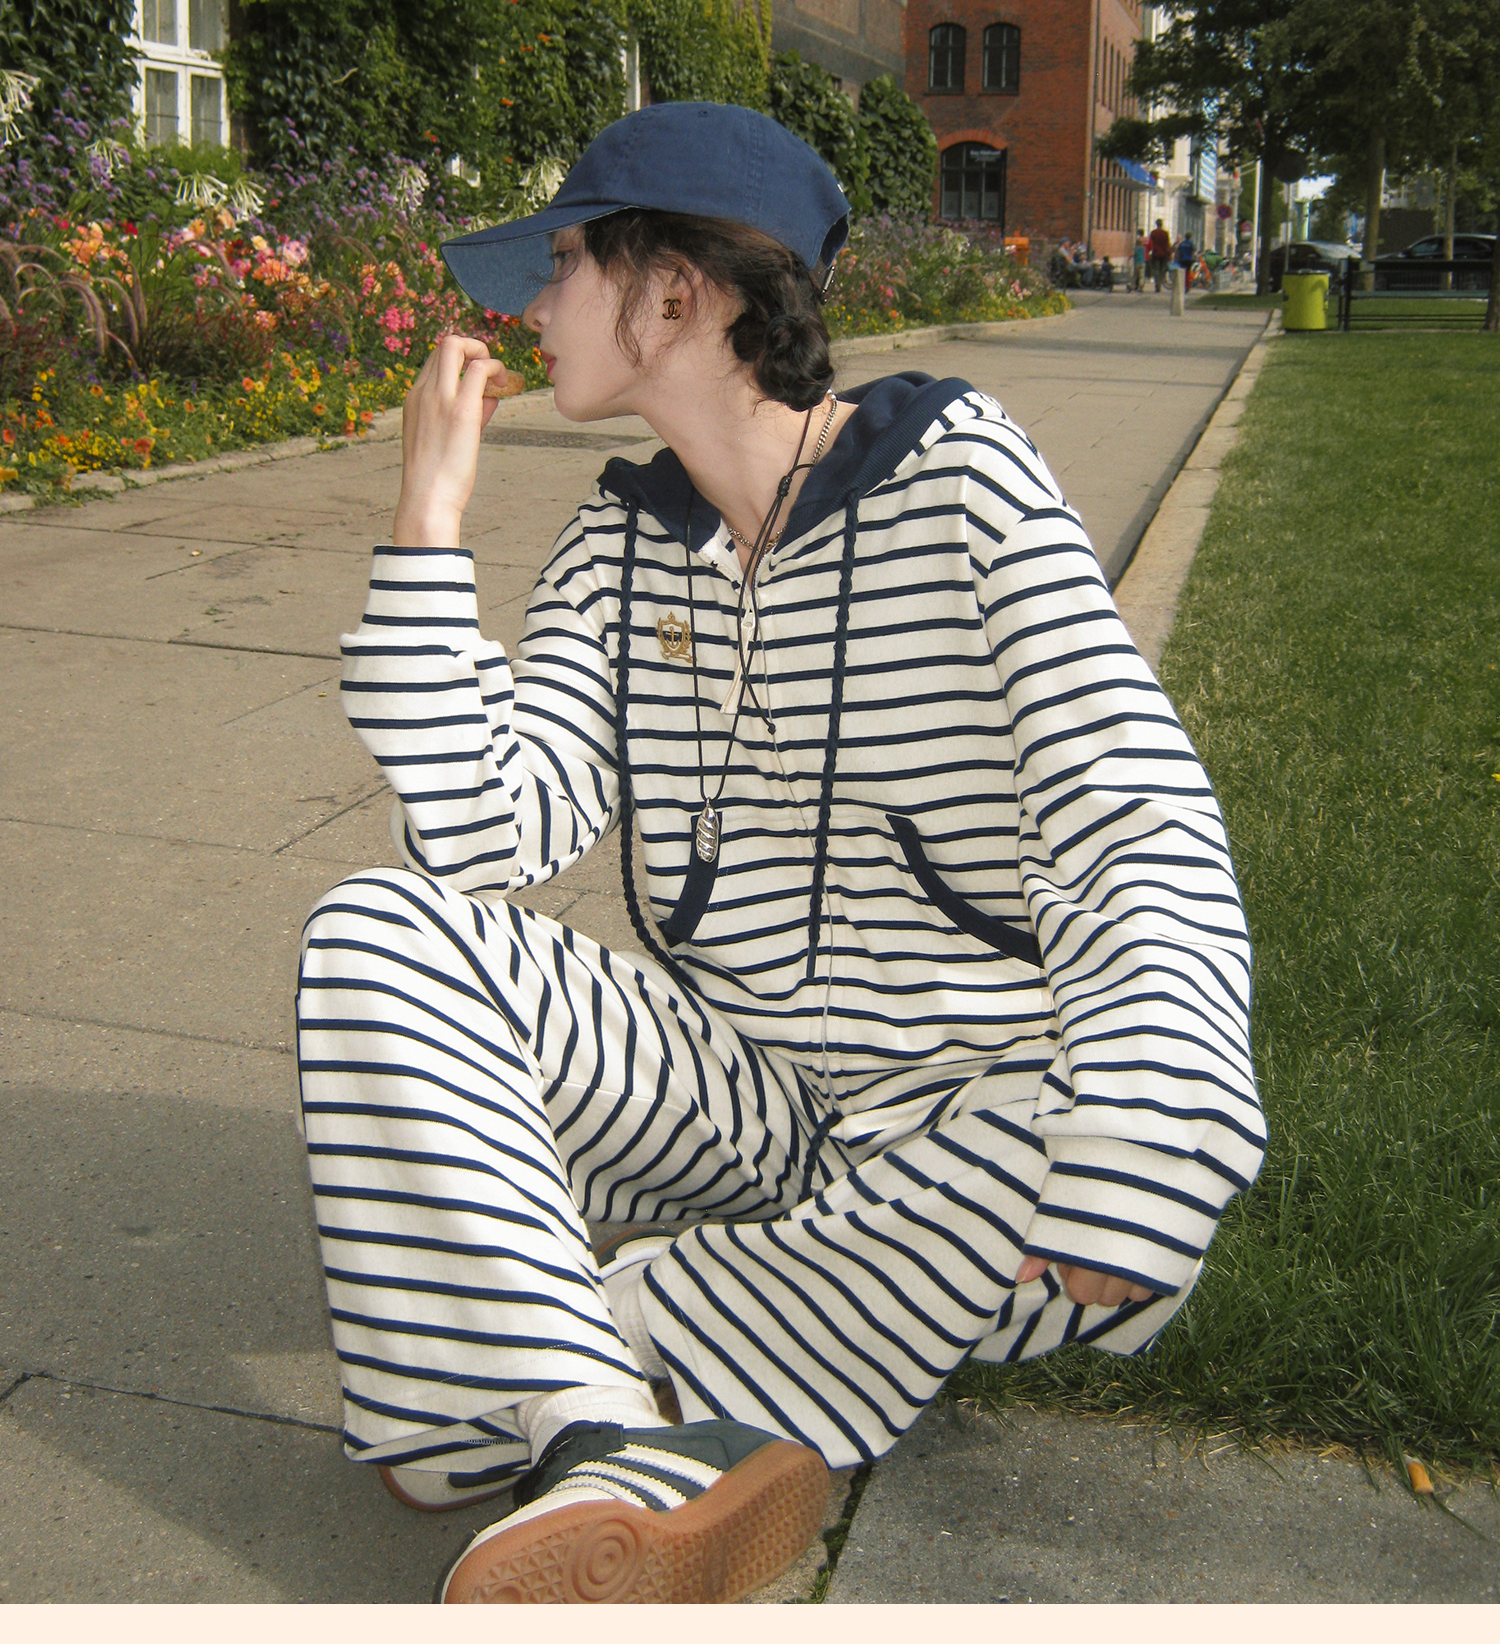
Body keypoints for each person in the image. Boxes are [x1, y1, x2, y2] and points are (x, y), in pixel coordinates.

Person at [297, 103, 1266, 1604]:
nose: (532, 305)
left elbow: (1127, 808)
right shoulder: (619, 547)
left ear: (678, 291)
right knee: (377, 931)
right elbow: (486, 831)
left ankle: (524, 1377)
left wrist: (1146, 1146)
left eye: (564, 262)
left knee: (1087, 1128)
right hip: (744, 1108)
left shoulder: (956, 477)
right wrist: (426, 523)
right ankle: (616, 1421)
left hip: (966, 1122)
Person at [1146, 219, 1172, 292]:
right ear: (1162, 224)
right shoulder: (1165, 233)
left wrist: (1149, 251)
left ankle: (1157, 284)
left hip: (1156, 254)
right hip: (1164, 254)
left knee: (1156, 270)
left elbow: (1150, 243)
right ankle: (1160, 281)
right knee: (1162, 269)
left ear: (1156, 224)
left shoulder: (1153, 233)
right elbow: (1167, 243)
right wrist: (1170, 253)